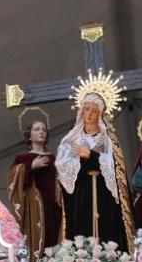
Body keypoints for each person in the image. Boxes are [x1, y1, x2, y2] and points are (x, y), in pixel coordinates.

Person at [56, 93, 136, 253]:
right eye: (87, 110)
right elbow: (62, 166)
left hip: (105, 194)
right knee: (82, 232)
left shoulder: (108, 139)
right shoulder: (71, 139)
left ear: (100, 113)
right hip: (81, 194)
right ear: (81, 112)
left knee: (107, 230)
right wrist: (90, 157)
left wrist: (90, 155)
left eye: (94, 111)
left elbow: (115, 166)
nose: (90, 114)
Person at [7, 109, 64, 259]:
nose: (41, 132)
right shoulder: (22, 158)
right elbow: (12, 179)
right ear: (29, 135)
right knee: (37, 238)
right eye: (37, 129)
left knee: (55, 238)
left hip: (53, 205)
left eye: (44, 130)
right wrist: (31, 167)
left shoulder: (53, 158)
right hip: (33, 207)